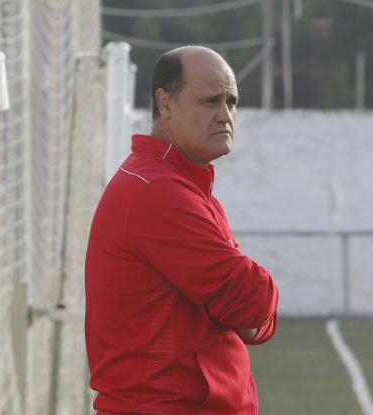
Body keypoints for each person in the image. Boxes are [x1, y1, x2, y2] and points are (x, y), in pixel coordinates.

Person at [84, 46, 279, 414]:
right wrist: (248, 311)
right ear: (166, 103)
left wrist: (250, 313)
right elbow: (253, 300)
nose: (225, 115)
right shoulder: (157, 192)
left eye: (231, 102)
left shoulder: (179, 185)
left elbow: (255, 318)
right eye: (210, 101)